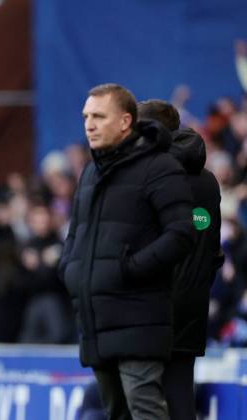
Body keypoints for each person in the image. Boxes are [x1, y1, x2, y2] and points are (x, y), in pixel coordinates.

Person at [58, 84, 194, 420]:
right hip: (96, 317)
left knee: (145, 409)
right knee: (115, 413)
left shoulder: (159, 167)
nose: (89, 124)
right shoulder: (90, 172)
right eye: (86, 116)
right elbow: (76, 233)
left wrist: (128, 269)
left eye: (99, 116)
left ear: (124, 122)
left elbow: (181, 234)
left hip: (139, 315)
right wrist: (71, 269)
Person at [138, 99, 224, 420]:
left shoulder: (147, 178)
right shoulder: (208, 181)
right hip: (192, 306)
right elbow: (214, 251)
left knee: (141, 400)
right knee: (179, 396)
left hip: (151, 307)